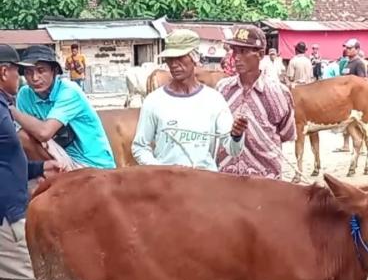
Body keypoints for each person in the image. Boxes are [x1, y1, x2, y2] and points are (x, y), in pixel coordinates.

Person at [132, 29, 247, 169]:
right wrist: (162, 170)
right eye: (170, 59)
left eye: (180, 57)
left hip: (204, 183)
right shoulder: (154, 101)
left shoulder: (213, 100)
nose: (174, 64)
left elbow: (233, 150)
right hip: (168, 185)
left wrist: (236, 135)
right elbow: (140, 147)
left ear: (194, 58)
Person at [0, 44, 64, 280]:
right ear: (5, 72)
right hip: (5, 215)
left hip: (10, 209)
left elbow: (6, 159)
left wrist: (39, 167)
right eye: (19, 71)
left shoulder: (5, 107)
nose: (23, 78)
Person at [13, 45, 115, 170]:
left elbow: (44, 133)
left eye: (41, 71)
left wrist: (10, 109)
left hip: (91, 162)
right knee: (22, 136)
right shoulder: (24, 95)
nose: (35, 78)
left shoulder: (69, 91)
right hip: (59, 157)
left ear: (54, 71)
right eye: (29, 72)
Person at [216, 25, 296, 179]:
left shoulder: (279, 93)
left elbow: (286, 133)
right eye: (235, 51)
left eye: (244, 52)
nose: (237, 57)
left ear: (260, 54)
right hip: (226, 178)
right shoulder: (223, 89)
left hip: (265, 180)